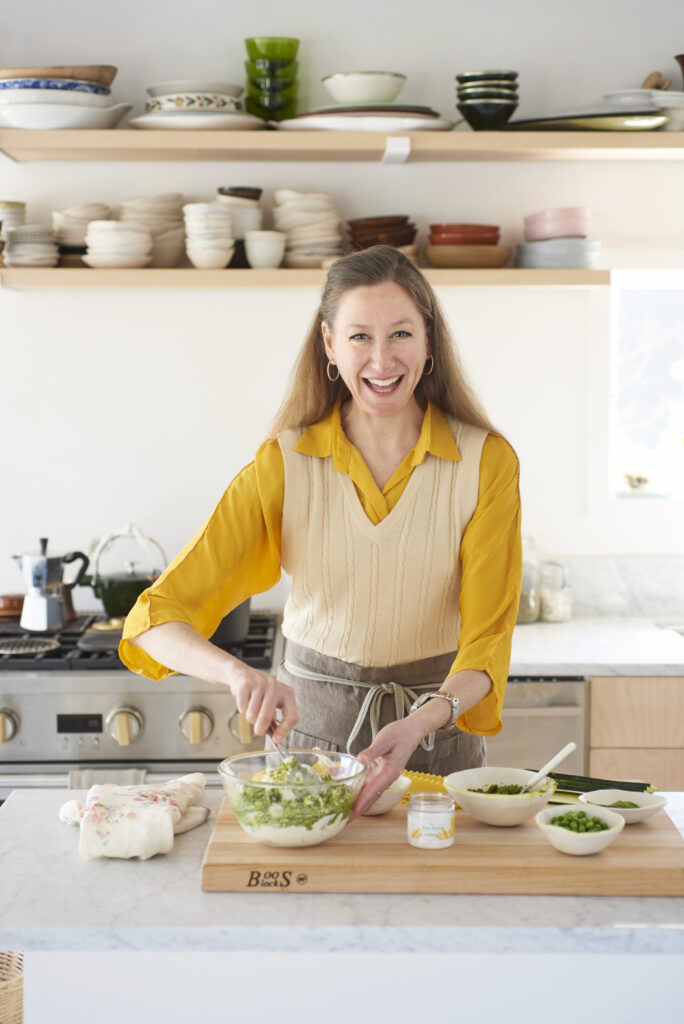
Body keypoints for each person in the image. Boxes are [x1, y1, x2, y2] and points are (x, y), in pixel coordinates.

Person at [120, 245, 522, 817]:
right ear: (330, 345)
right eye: (360, 337)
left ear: (429, 341)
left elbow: (487, 641)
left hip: (438, 739)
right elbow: (153, 620)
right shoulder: (283, 464)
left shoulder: (487, 462)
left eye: (401, 334)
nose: (381, 359)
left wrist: (421, 721)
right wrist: (237, 675)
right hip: (310, 749)